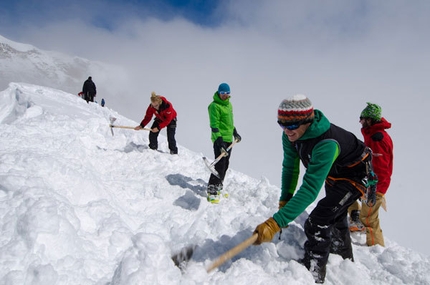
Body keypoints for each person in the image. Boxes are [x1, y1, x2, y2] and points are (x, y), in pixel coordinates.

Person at [253, 94, 376, 283]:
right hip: (334, 171)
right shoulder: (290, 135)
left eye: (292, 125)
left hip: (354, 174)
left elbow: (310, 189)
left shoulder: (326, 143)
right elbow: (290, 167)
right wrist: (285, 199)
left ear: (307, 121)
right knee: (334, 214)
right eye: (281, 124)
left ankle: (313, 273)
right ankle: (343, 261)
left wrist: (275, 222)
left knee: (318, 219)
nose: (287, 131)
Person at [348, 102, 393, 247]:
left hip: (376, 184)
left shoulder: (377, 138)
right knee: (347, 191)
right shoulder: (372, 134)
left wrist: (374, 188)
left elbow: (380, 167)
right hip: (368, 181)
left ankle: (376, 248)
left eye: (363, 118)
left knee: (369, 218)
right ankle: (356, 220)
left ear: (370, 119)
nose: (360, 121)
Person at [206, 82, 241, 204]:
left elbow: (229, 123)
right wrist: (219, 142)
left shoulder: (229, 105)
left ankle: (219, 185)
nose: (224, 96)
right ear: (218, 93)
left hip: (228, 140)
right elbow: (214, 125)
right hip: (219, 139)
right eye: (222, 93)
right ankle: (212, 189)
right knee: (219, 165)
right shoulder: (214, 106)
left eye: (227, 93)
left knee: (225, 164)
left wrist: (235, 132)